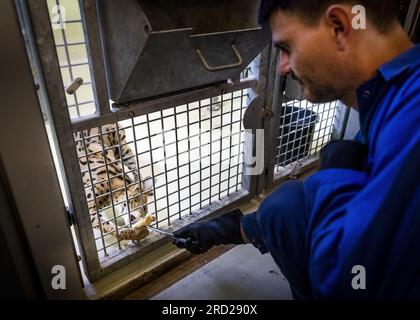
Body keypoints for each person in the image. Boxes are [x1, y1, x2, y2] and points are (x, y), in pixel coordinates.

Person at [173, 0, 420, 299]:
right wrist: (232, 228)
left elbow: (352, 283)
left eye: (287, 47)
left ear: (340, 27)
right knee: (286, 204)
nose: (282, 68)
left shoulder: (411, 117)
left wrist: (336, 174)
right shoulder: (395, 90)